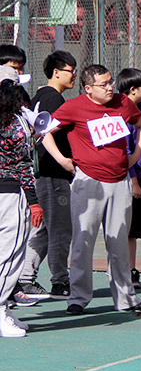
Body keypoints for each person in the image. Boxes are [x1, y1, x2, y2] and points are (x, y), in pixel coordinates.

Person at [42, 64, 141, 315]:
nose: (110, 87)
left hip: (120, 181)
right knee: (83, 241)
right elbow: (44, 131)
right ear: (88, 88)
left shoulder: (123, 102)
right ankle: (78, 298)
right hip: (88, 183)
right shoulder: (73, 107)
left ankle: (125, 298)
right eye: (103, 84)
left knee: (119, 242)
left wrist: (135, 155)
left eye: (110, 81)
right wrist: (62, 159)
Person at [18, 51, 77, 301]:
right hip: (50, 173)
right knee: (60, 228)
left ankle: (25, 278)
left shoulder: (40, 96)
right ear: (56, 72)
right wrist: (63, 160)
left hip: (41, 173)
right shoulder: (53, 98)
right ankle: (60, 281)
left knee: (41, 229)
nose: (74, 74)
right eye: (70, 70)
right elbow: (45, 134)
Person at [0, 73, 43, 337]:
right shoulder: (17, 124)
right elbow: (23, 166)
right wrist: (34, 202)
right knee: (10, 255)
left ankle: (4, 309)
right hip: (10, 194)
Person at [116, 68, 141, 289]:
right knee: (129, 229)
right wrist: (133, 181)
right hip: (134, 178)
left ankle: (129, 267)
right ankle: (128, 270)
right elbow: (125, 150)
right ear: (133, 89)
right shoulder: (123, 113)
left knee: (139, 227)